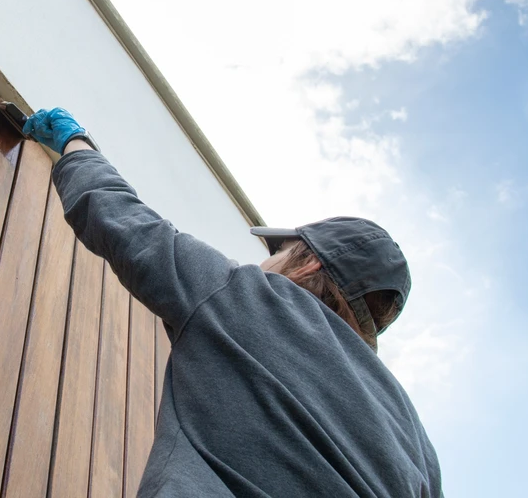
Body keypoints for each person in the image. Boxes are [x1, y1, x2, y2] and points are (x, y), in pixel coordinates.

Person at [22, 107, 442, 497]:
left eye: (277, 252)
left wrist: (74, 143)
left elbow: (125, 224)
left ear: (309, 264)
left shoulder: (255, 301)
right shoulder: (417, 442)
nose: (264, 262)